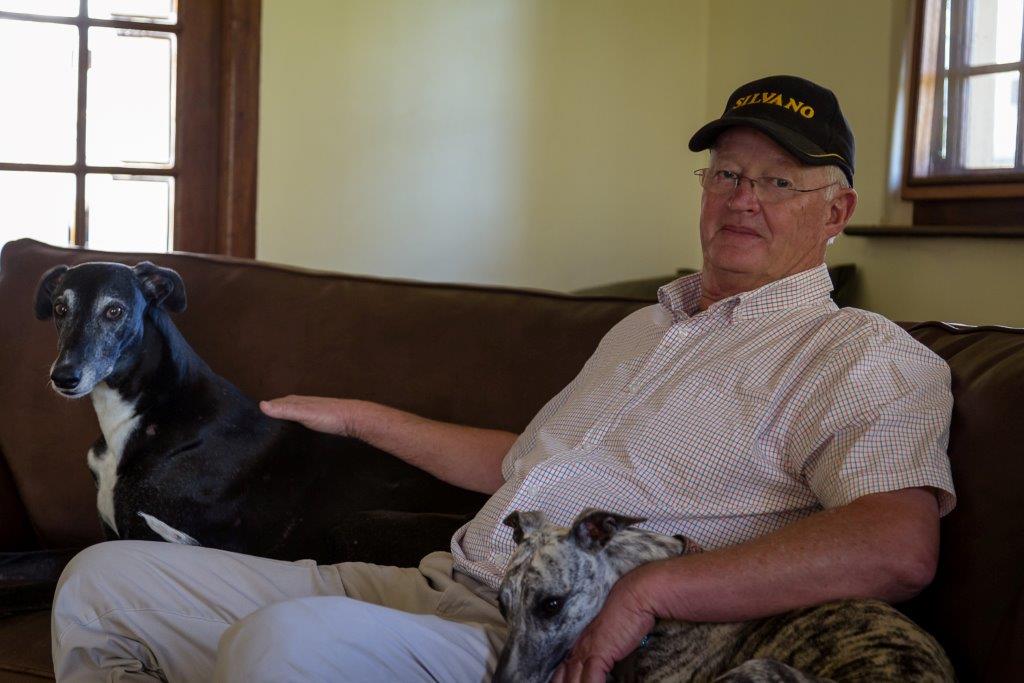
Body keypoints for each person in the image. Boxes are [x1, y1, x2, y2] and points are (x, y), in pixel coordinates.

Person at [51, 75, 956, 682]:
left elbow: (894, 546)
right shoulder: (644, 328)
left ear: (835, 210)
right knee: (101, 583)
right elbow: (528, 464)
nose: (742, 198)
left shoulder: (861, 355)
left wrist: (649, 591)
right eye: (726, 172)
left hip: (531, 636)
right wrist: (365, 419)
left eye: (777, 180)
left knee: (281, 644)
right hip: (440, 580)